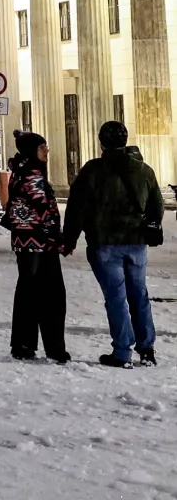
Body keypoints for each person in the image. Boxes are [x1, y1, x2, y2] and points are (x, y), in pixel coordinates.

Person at [63, 120, 163, 367]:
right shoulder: (144, 171)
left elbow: (76, 208)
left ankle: (122, 352)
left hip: (104, 243)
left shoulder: (92, 171)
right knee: (139, 295)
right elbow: (157, 207)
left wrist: (70, 239)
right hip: (137, 244)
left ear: (101, 142)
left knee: (116, 297)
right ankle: (147, 349)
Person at [3, 131, 69, 362]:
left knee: (27, 291)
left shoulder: (20, 172)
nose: (47, 151)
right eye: (43, 147)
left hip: (24, 241)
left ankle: (23, 344)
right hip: (39, 243)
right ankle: (53, 347)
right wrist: (59, 240)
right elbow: (46, 212)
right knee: (50, 294)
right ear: (32, 150)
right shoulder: (32, 176)